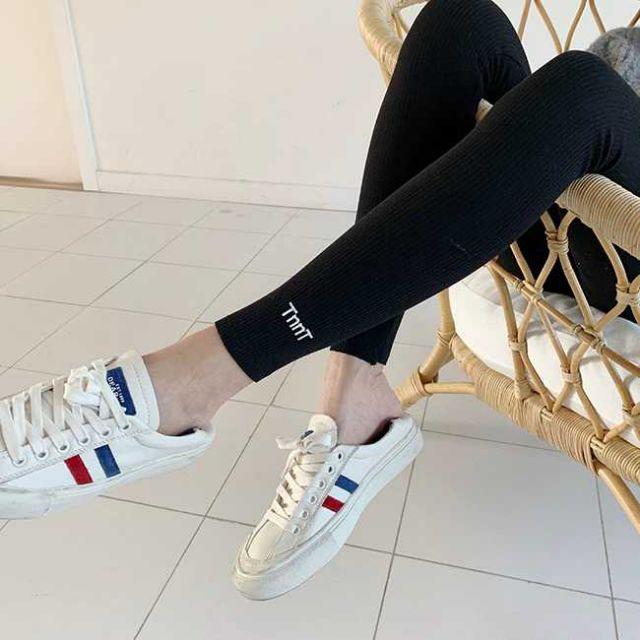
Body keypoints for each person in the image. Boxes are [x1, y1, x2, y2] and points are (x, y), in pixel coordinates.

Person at [2, 0, 640, 600]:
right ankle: (353, 394)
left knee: (583, 90)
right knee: (459, 20)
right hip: (576, 208)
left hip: (624, 259)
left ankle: (185, 386)